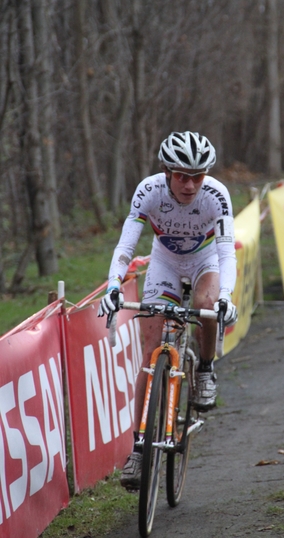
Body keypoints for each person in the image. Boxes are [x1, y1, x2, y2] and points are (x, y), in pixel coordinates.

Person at [97, 131, 238, 490]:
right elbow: (126, 243)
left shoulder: (216, 196)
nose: (190, 185)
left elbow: (225, 251)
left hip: (205, 261)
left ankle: (205, 369)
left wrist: (226, 296)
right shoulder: (149, 191)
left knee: (206, 306)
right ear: (166, 172)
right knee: (150, 353)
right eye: (181, 176)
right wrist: (114, 284)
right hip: (165, 263)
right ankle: (139, 447)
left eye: (198, 176)